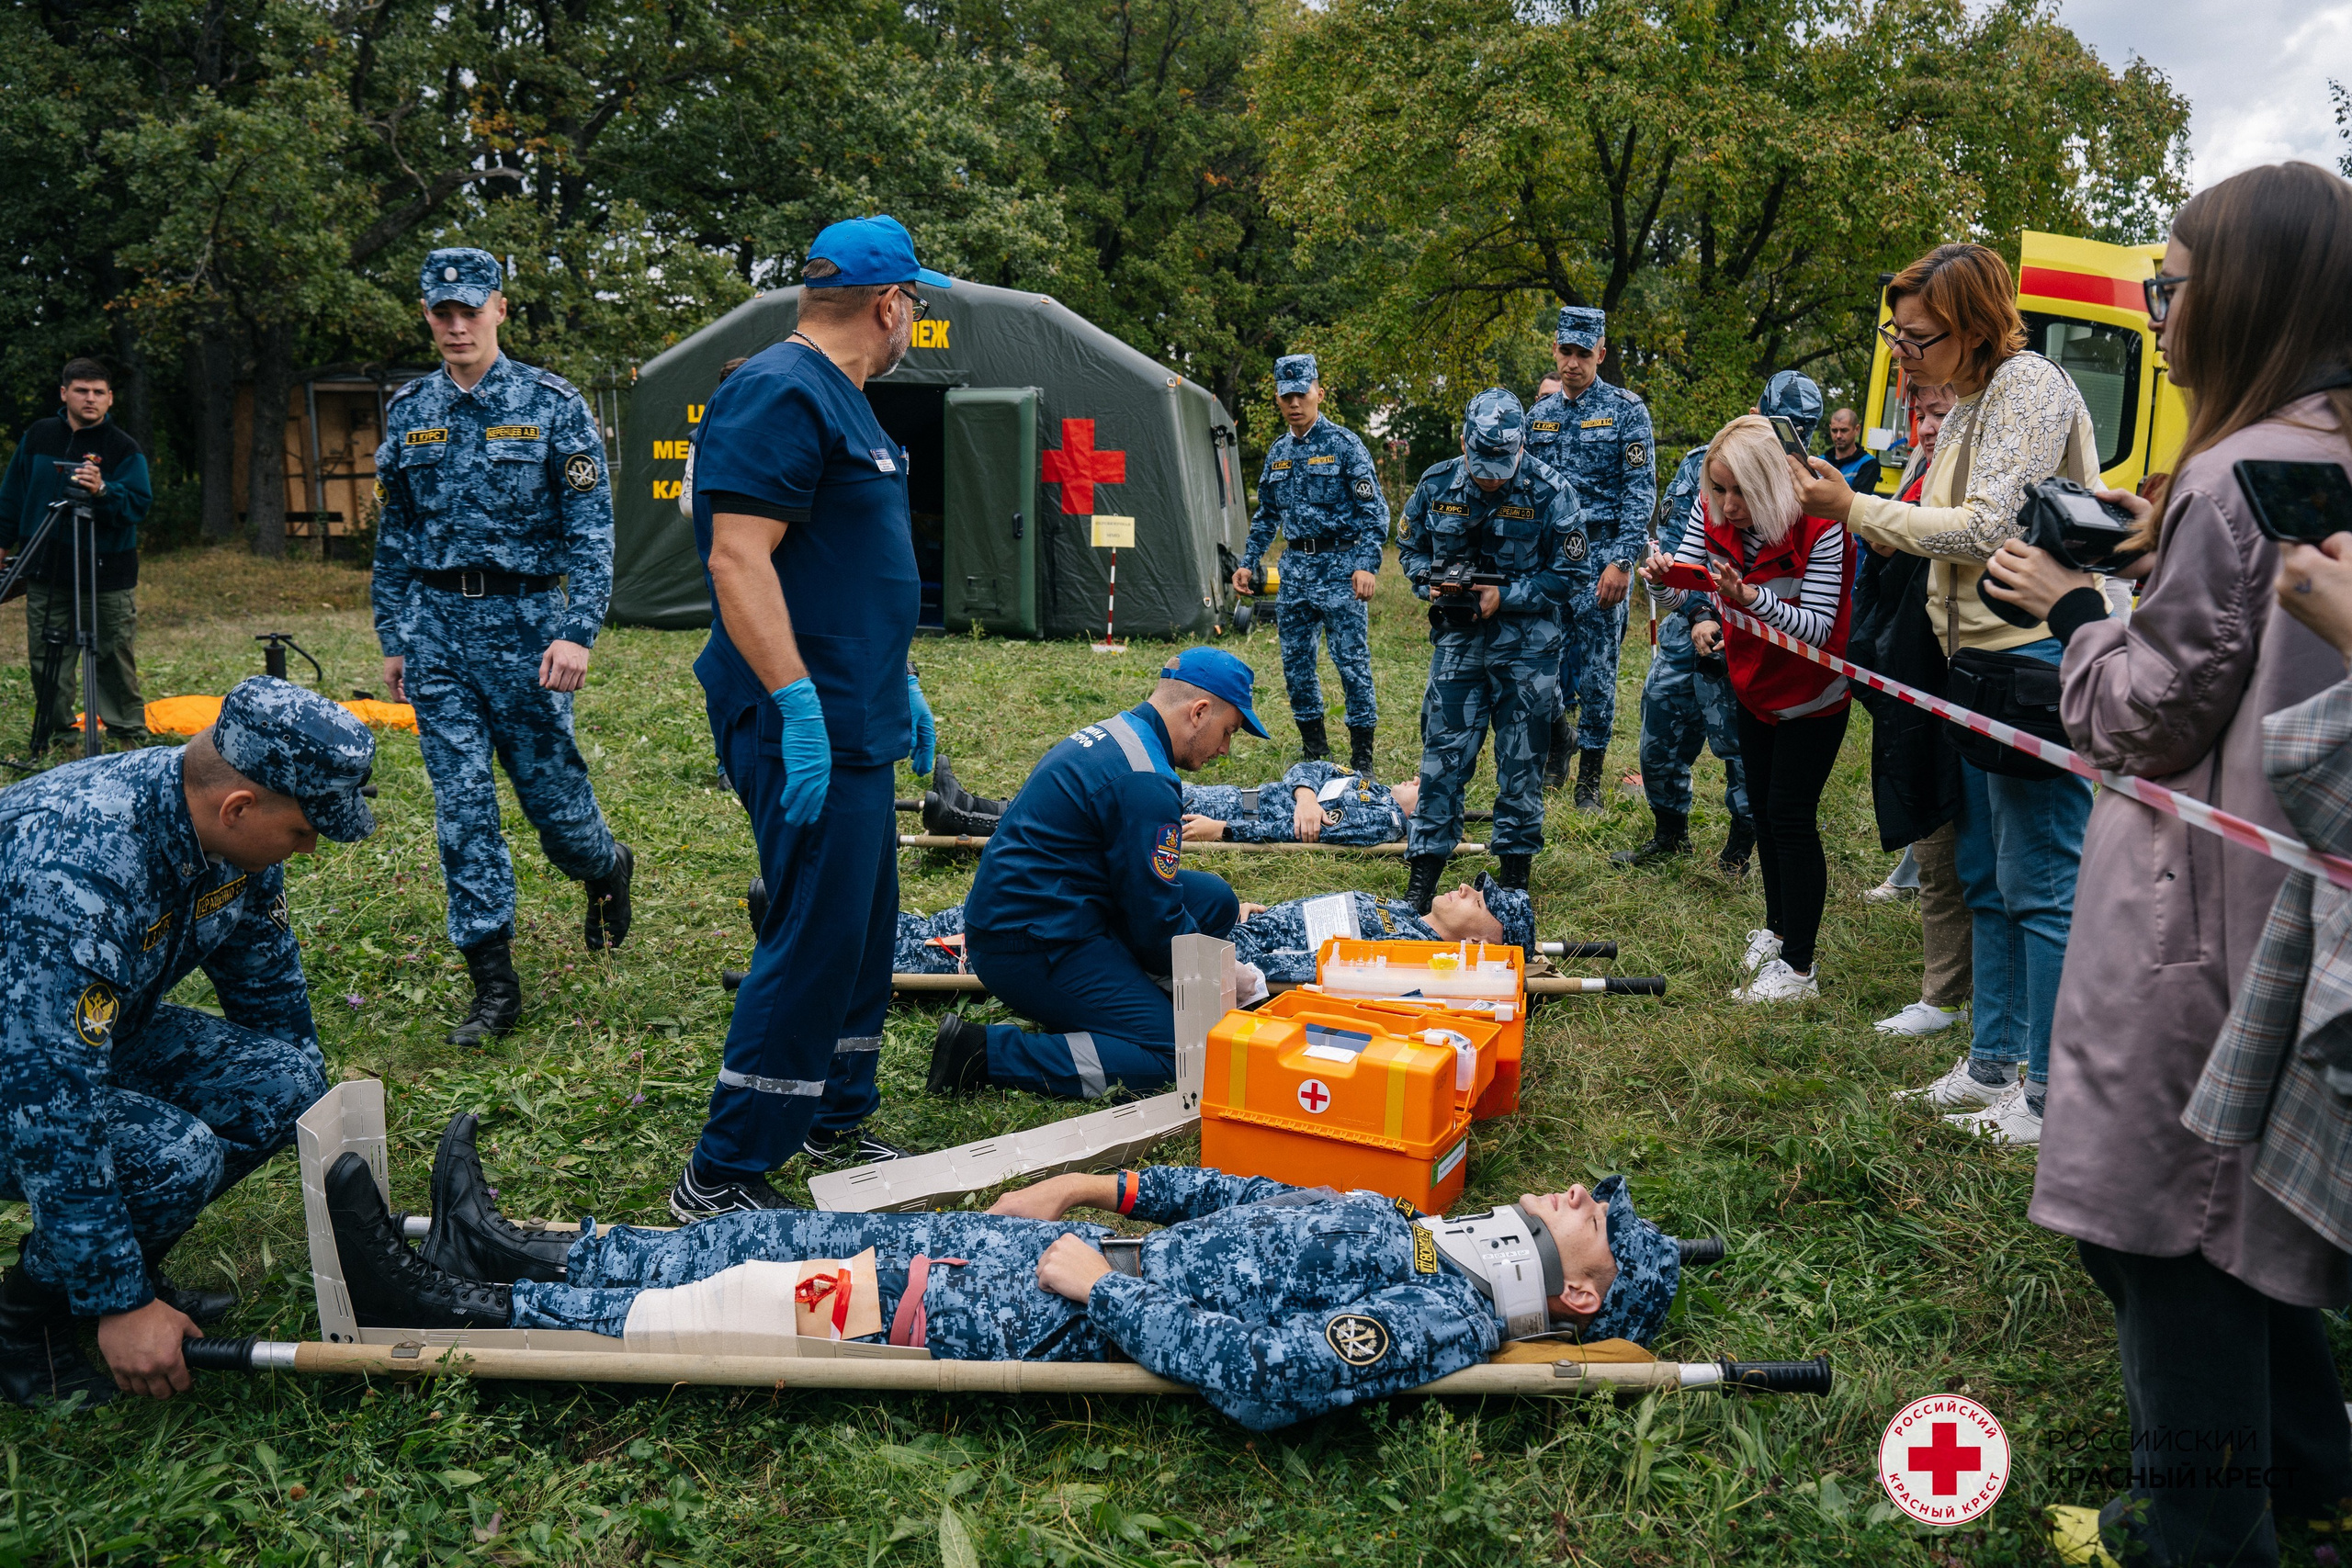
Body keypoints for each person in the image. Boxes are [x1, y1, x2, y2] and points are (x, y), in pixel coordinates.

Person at [1991, 163, 2352, 1567]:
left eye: (2172, 284)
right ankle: (2316, 1479)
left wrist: (2074, 607)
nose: (2158, 311)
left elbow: (2144, 711)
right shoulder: (2315, 452)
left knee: (2161, 1232)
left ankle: (2201, 1529)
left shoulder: (2230, 468)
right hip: (2287, 907)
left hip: (2192, 922)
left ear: (2245, 293)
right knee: (2245, 1219)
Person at [324, 1115, 1682, 1433]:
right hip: (1056, 1252)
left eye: (1594, 1222)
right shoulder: (1423, 1231)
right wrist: (1093, 1186)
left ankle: (461, 1307)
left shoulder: (1445, 1313)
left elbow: (1267, 1377)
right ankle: (527, 1249)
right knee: (763, 1238)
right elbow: (1251, 1198)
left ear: (1575, 1296)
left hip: (1041, 1307)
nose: (1577, 1195)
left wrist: (1102, 1285)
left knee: (753, 1303)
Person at [673, 217, 949, 1212]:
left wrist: (897, 677)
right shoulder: (778, 389)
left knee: (864, 926)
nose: (912, 318)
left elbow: (837, 563)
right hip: (809, 715)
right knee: (813, 935)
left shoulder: (845, 398)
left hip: (858, 706)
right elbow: (737, 557)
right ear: (889, 304)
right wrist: (794, 702)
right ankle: (724, 1170)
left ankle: (834, 1112)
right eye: (914, 302)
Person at [0, 676, 376, 1407]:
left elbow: (267, 984)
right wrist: (121, 1301)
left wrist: (334, 1153)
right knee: (173, 1156)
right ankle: (25, 1325)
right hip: (28, 1069)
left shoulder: (224, 834)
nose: (308, 848)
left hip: (70, 1037)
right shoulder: (77, 874)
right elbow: (48, 1097)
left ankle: (112, 1268)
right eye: (303, 830)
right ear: (239, 806)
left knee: (285, 1087)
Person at [1796, 243, 2101, 1118]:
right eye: (1896, 334)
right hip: (1974, 668)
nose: (1903, 353)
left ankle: (2048, 1095)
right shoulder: (1966, 404)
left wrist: (1857, 508)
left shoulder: (2029, 387)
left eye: (1918, 336)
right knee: (1987, 873)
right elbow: (1937, 527)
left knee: (2042, 882)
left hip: (2035, 661)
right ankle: (1994, 1063)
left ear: (1973, 326)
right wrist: (1868, 516)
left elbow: (1988, 527)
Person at [372, 248, 635, 1050]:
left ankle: (604, 865)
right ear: (427, 315)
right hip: (437, 630)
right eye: (442, 312)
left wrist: (577, 629)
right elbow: (396, 533)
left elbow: (591, 529)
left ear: (499, 309)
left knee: (553, 803)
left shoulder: (552, 405)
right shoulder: (409, 410)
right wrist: (393, 635)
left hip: (528, 628)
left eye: (470, 310)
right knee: (461, 808)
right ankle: (494, 983)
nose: (456, 325)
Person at [928, 649, 1263, 1101]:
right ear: (1199, 712)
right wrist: (1215, 978)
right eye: (1228, 732)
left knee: (1215, 900)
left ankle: (1122, 998)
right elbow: (1156, 920)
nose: (1225, 749)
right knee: (1180, 1053)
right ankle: (983, 1053)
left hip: (1057, 906)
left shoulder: (1124, 734)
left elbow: (1145, 891)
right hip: (1031, 945)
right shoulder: (1145, 780)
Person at [1641, 416, 1853, 1002]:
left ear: (1770, 485)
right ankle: (1778, 929)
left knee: (1790, 817)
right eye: (1719, 488)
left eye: (1742, 492)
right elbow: (1683, 586)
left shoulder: (1821, 524)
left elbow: (1817, 627)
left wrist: (1748, 598)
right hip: (1753, 688)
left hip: (1813, 696)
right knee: (1762, 810)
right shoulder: (1710, 509)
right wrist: (1659, 581)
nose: (1728, 505)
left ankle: (1799, 969)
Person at [1617, 371, 1822, 871]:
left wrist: (1741, 610)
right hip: (1690, 624)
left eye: (1795, 434)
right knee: (1660, 730)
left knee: (1743, 750)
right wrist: (1698, 614)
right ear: (1755, 415)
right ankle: (1669, 833)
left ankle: (1741, 846)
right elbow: (1678, 552)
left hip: (1754, 635)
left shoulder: (1811, 488)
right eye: (1776, 426)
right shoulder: (1704, 464)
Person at [1396, 389, 1589, 910]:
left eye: (1502, 465)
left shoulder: (1551, 491)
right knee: (1441, 759)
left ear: (1521, 447)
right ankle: (1423, 878)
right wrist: (1432, 582)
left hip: (1527, 649)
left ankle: (1515, 880)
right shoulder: (1437, 484)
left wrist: (1508, 596)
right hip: (1458, 641)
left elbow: (1572, 574)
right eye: (1482, 464)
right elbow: (1410, 547)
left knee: (1520, 762)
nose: (1490, 478)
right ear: (1464, 442)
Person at [895, 874, 1535, 985]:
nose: (1466, 888)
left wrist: (1221, 947)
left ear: (1484, 943)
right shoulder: (1400, 914)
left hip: (1216, 953)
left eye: (1481, 899)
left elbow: (1297, 972)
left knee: (1079, 921)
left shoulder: (1407, 958)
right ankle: (921, 930)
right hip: (1237, 925)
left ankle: (917, 951)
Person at [1231, 355, 1388, 772]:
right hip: (1296, 572)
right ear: (1278, 400)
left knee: (1351, 663)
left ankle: (1362, 757)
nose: (1295, 403)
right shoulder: (1279, 453)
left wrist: (1366, 564)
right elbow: (1267, 514)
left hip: (1341, 569)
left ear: (1319, 393)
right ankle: (1315, 751)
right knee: (1296, 665)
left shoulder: (1345, 445)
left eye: (1302, 394)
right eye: (1287, 397)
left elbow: (1375, 512)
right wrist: (1248, 562)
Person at [1526, 308, 1656, 810]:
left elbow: (1640, 493)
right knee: (1538, 662)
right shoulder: (1538, 415)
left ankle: (1590, 781)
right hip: (1549, 561)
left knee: (1599, 674)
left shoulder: (1627, 410)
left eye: (1584, 353)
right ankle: (1561, 736)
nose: (1573, 363)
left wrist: (1623, 561)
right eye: (1566, 352)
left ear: (1600, 354)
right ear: (1554, 350)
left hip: (1602, 558)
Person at [0, 358, 154, 753]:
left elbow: (138, 504)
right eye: (82, 390)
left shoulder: (122, 448)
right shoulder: (39, 436)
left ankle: (128, 738)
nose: (90, 398)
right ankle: (60, 738)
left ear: (110, 398)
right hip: (46, 570)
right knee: (47, 658)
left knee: (113, 656)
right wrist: (3, 543)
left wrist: (103, 490)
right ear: (64, 393)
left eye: (98, 392)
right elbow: (12, 495)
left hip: (107, 574)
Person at [1181, 764, 1418, 845]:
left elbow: (1288, 832)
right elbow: (1310, 767)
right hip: (1232, 796)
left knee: (1161, 803)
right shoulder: (1378, 791)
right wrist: (1306, 797)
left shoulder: (1382, 820)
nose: (1416, 779)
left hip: (1232, 816)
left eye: (1422, 786)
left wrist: (1223, 829)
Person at [1823, 407, 1877, 490]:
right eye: (1834, 430)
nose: (1838, 436)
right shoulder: (1820, 461)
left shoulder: (1868, 464)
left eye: (1844, 430)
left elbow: (1857, 497)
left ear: (1857, 430)